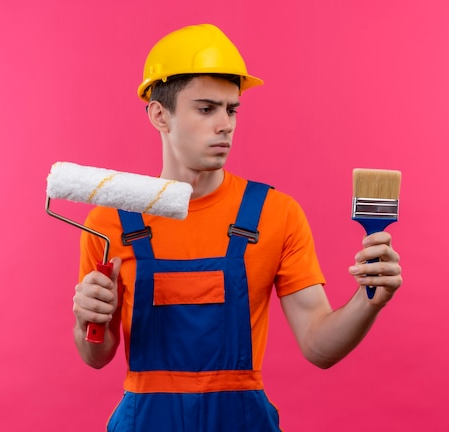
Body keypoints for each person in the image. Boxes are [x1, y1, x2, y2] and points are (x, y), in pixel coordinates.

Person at [72, 24, 402, 431]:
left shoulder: (274, 214)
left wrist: (370, 300)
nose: (225, 124)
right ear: (160, 114)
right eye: (206, 109)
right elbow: (97, 355)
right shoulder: (110, 220)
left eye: (232, 109)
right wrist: (89, 319)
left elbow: (319, 347)